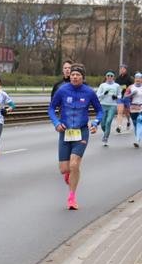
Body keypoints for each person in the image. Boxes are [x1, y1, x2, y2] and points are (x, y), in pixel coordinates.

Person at [48, 63, 103, 210]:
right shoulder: (62, 90)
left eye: (77, 74)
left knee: (74, 164)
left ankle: (71, 198)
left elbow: (100, 111)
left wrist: (96, 123)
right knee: (64, 169)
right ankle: (70, 174)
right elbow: (52, 109)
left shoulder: (89, 92)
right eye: (72, 74)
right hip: (65, 132)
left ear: (82, 77)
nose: (74, 76)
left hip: (81, 132)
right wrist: (56, 123)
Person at [95, 70, 120, 146]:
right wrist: (103, 94)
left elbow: (120, 95)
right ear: (106, 77)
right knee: (103, 124)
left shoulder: (117, 86)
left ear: (113, 77)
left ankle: (105, 137)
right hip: (103, 105)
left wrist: (116, 97)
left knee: (108, 121)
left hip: (112, 105)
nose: (109, 77)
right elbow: (97, 95)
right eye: (108, 75)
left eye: (111, 76)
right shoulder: (102, 85)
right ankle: (106, 132)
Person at [115, 64, 134, 133]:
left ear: (126, 70)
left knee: (127, 112)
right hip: (120, 97)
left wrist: (127, 89)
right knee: (119, 112)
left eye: (123, 69)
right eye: (121, 69)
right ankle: (119, 126)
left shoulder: (129, 78)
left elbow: (132, 87)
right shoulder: (118, 78)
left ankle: (128, 121)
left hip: (127, 97)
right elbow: (116, 87)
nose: (122, 70)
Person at [125, 72, 142, 147]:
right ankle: (137, 138)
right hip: (133, 107)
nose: (138, 79)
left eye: (140, 78)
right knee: (135, 124)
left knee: (139, 120)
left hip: (141, 107)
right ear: (134, 79)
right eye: (137, 78)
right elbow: (125, 96)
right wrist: (131, 94)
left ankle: (137, 140)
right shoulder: (130, 87)